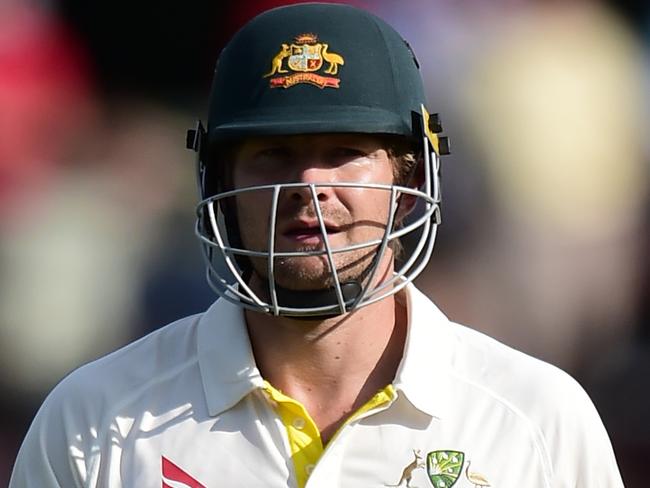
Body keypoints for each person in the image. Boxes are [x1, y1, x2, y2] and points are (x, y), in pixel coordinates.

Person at [10, 3, 624, 487]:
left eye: (344, 154)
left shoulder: (536, 418)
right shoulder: (95, 419)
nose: (309, 186)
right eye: (273, 154)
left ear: (409, 180)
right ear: (217, 181)